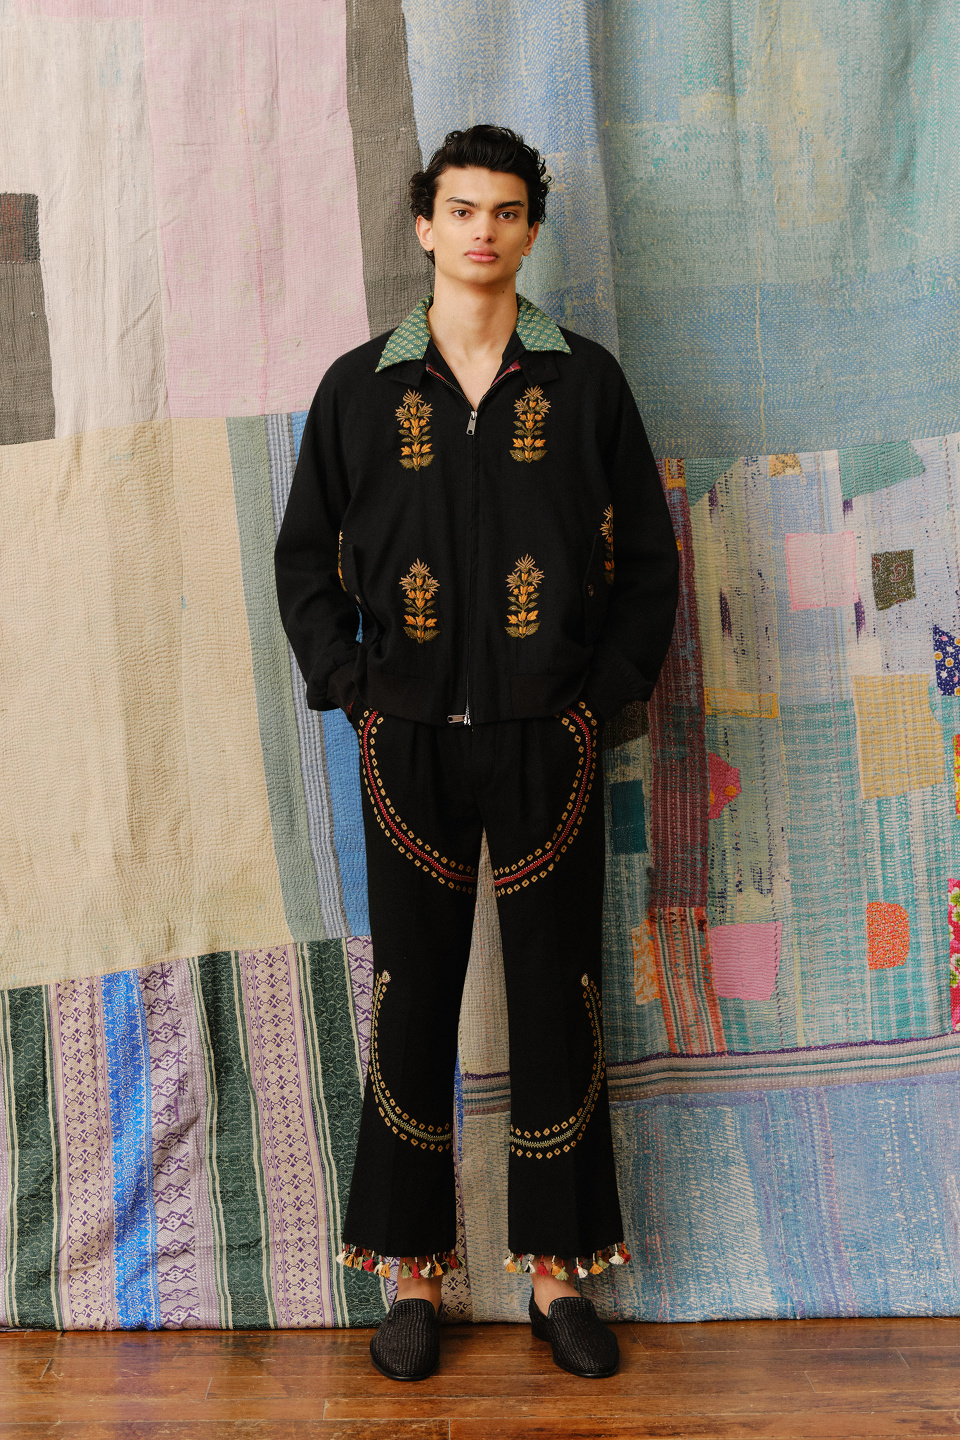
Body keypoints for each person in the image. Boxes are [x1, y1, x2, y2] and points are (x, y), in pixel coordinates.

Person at [275, 124, 679, 1381]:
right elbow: (303, 559)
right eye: (462, 209)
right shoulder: (359, 388)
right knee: (413, 999)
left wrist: (594, 699)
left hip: (547, 740)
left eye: (506, 211)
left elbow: (648, 563)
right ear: (425, 225)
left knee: (559, 994)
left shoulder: (585, 382)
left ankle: (558, 1274)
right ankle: (412, 1274)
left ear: (531, 229)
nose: (483, 231)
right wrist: (356, 691)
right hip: (406, 744)